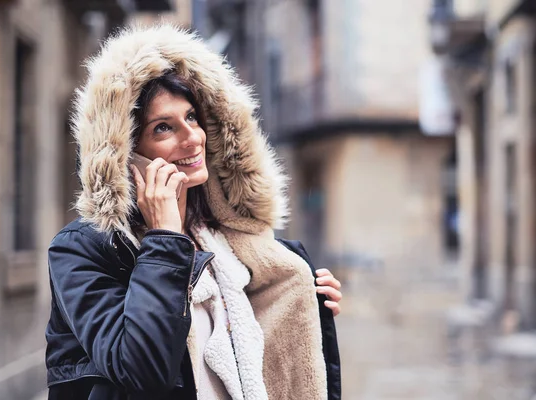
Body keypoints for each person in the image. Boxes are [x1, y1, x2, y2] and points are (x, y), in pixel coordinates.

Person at [45, 24, 342, 400]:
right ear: (126, 154)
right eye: (164, 128)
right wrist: (164, 238)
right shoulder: (83, 251)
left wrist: (306, 304)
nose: (192, 138)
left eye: (192, 118)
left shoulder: (237, 248)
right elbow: (142, 371)